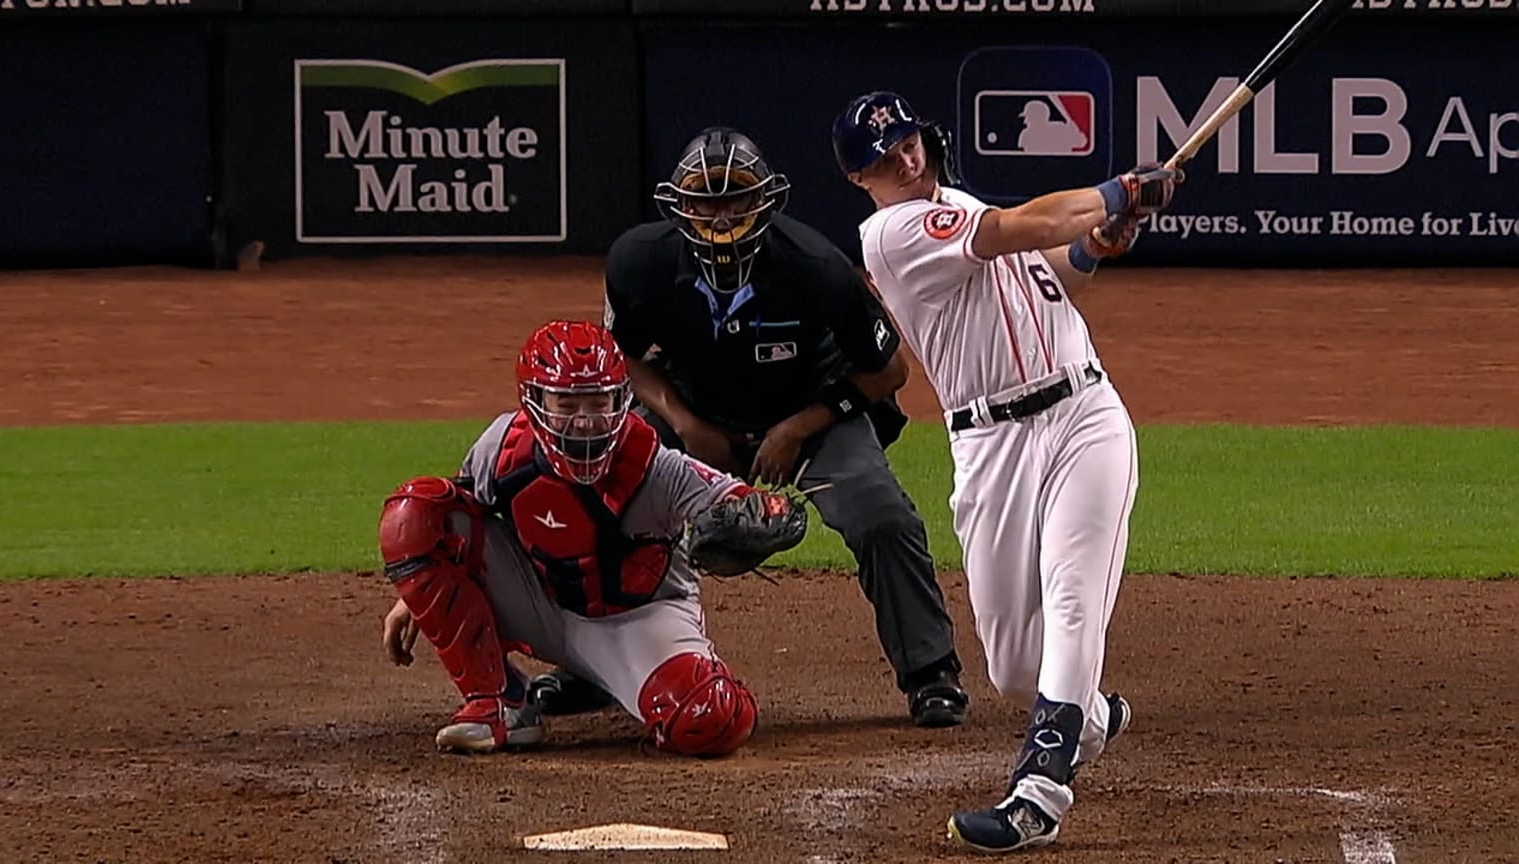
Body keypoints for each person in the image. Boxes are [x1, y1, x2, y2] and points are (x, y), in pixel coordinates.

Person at [830, 90, 1180, 851]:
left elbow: (1048, 271)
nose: (907, 157)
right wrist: (1117, 191)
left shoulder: (954, 202)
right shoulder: (891, 234)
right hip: (990, 450)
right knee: (1016, 670)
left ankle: (1040, 792)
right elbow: (1030, 225)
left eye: (910, 141)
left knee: (1073, 596)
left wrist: (1097, 242)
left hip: (1085, 418)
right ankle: (1087, 714)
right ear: (860, 178)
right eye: (886, 156)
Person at [533, 125, 970, 728]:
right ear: (679, 205)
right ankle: (593, 669)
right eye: (706, 201)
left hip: (811, 409)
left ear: (766, 199)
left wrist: (799, 427)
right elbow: (619, 359)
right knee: (604, 495)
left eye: (735, 198)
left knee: (880, 515)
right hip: (695, 407)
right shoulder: (640, 261)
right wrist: (684, 422)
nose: (720, 216)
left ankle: (932, 674)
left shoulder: (816, 265)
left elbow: (888, 371)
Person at [376, 319, 805, 758]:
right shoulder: (503, 447)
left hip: (638, 620)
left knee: (710, 722)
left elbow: (756, 505)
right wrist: (415, 596)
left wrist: (760, 523)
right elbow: (451, 524)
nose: (584, 423)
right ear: (536, 402)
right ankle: (499, 703)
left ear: (620, 401)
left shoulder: (655, 465)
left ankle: (615, 679)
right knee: (413, 515)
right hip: (543, 603)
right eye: (567, 404)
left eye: (597, 403)